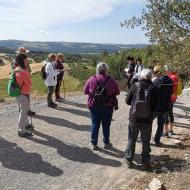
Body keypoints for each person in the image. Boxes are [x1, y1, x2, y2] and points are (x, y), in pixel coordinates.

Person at [124, 69, 159, 169]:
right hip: (147, 119)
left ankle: (129, 160)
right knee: (146, 141)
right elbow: (156, 105)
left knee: (132, 139)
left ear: (142, 76)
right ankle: (145, 163)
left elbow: (127, 101)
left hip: (134, 118)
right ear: (151, 76)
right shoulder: (154, 88)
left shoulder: (135, 85)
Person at [84, 62, 120, 150]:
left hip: (94, 104)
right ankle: (106, 143)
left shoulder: (91, 79)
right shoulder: (111, 80)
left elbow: (85, 91)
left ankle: (93, 144)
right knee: (106, 125)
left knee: (95, 124)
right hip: (108, 105)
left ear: (97, 69)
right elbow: (118, 92)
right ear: (106, 69)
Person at [152, 65, 173, 146]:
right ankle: (157, 140)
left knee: (148, 122)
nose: (155, 74)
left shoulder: (155, 82)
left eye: (155, 73)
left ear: (158, 73)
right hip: (165, 106)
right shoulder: (170, 81)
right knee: (160, 125)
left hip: (155, 107)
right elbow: (170, 92)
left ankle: (145, 138)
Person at [14, 54, 33, 137]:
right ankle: (21, 130)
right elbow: (29, 84)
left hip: (18, 94)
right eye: (26, 60)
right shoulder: (24, 72)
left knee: (23, 111)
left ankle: (24, 126)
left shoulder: (16, 70)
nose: (27, 62)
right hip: (24, 94)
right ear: (22, 61)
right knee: (23, 112)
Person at [14, 47, 35, 116]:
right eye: (23, 52)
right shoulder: (18, 61)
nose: (24, 53)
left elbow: (29, 70)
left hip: (24, 80)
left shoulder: (23, 60)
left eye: (24, 52)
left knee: (25, 97)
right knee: (24, 97)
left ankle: (27, 110)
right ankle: (24, 111)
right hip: (21, 81)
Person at [163, 65, 180, 136]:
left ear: (168, 70)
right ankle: (171, 130)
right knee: (170, 112)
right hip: (173, 98)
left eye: (165, 70)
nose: (165, 71)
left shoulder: (169, 77)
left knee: (166, 114)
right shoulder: (176, 77)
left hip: (167, 98)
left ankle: (166, 132)